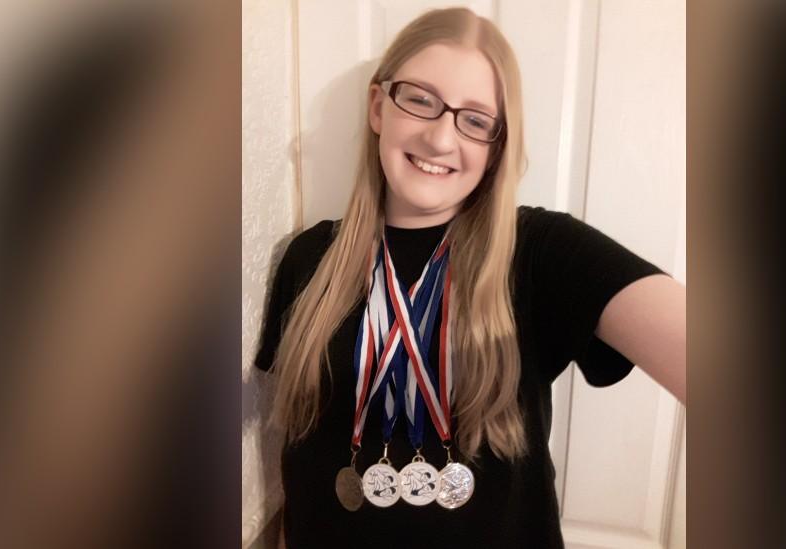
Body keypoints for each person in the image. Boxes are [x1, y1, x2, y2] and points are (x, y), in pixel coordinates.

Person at [254, 7, 685, 548]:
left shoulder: (542, 253)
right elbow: (300, 457)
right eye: (419, 98)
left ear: (496, 145)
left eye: (475, 120)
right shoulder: (310, 259)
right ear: (378, 106)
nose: (439, 138)